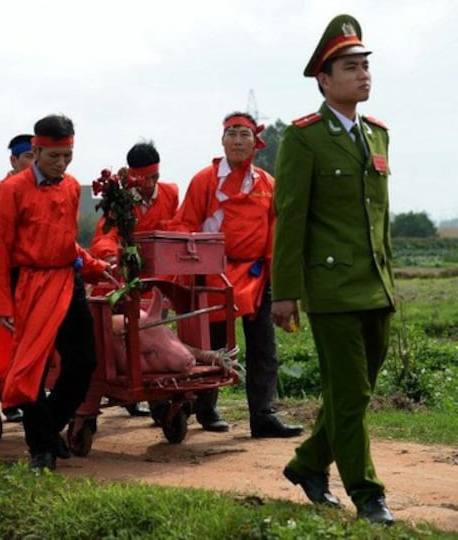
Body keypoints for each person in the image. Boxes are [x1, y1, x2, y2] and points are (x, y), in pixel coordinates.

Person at [271, 14, 395, 525]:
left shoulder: (378, 135)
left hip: (377, 287)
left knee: (354, 395)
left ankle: (307, 464)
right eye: (350, 66)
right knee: (349, 394)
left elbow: (378, 218)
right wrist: (285, 293)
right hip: (332, 290)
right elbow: (290, 218)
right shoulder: (305, 139)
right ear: (324, 80)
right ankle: (369, 496)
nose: (362, 74)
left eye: (365, 65)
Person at [172, 112, 303, 439]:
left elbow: (275, 231)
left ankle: (263, 414)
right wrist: (191, 270)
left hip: (256, 275)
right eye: (231, 133)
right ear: (222, 140)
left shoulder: (267, 183)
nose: (237, 140)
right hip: (215, 273)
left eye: (244, 134)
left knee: (264, 347)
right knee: (214, 345)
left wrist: (277, 277)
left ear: (255, 143)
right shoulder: (205, 179)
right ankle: (206, 407)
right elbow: (186, 223)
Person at [0, 114, 108, 470]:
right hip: (27, 283)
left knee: (84, 361)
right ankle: (41, 448)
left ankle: (46, 427)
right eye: (53, 156)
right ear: (37, 150)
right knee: (32, 369)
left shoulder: (71, 186)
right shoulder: (12, 190)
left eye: (67, 156)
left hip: (66, 282)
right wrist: (2, 304)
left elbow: (68, 241)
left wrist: (96, 267)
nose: (61, 164)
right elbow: (0, 248)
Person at [89, 141, 179, 417]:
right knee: (130, 335)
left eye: (155, 177)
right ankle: (134, 387)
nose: (150, 184)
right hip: (128, 280)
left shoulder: (171, 193)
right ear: (132, 176)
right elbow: (105, 235)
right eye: (144, 178)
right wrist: (110, 255)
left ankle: (159, 397)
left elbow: (178, 227)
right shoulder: (119, 199)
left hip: (161, 280)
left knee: (158, 338)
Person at [0, 133, 36, 424]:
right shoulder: (0, 191)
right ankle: (9, 398)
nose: (34, 163)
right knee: (12, 340)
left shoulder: (44, 188)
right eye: (28, 158)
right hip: (12, 274)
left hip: (39, 276)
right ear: (14, 160)